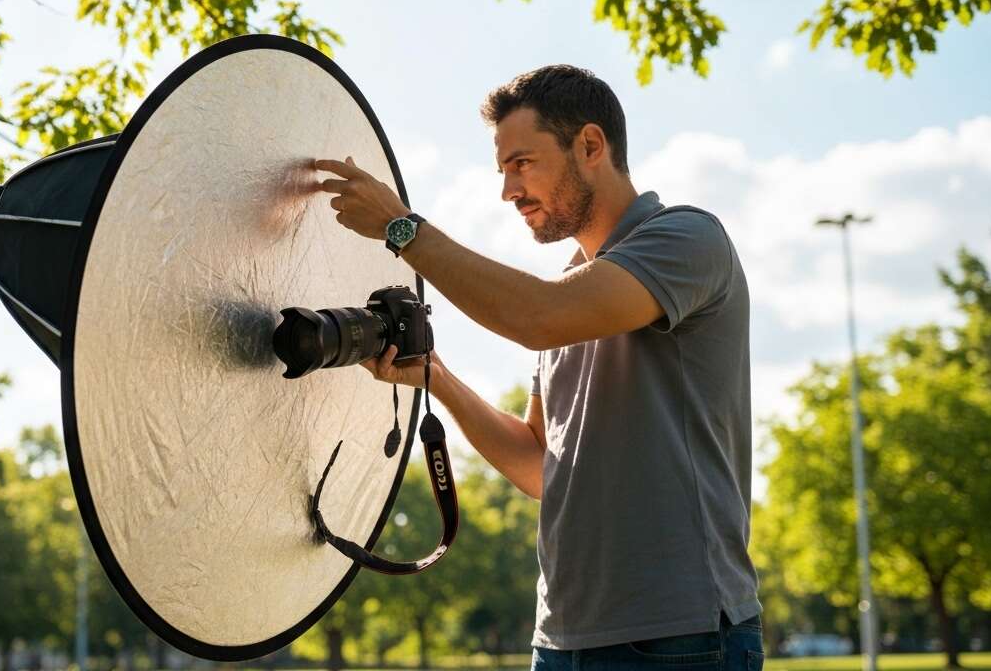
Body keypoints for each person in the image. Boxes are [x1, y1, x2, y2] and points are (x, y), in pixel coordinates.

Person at [314, 64, 763, 671]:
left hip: (678, 637)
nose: (508, 191)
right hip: (561, 639)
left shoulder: (686, 239)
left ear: (591, 145)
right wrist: (437, 378)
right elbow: (539, 466)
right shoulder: (570, 296)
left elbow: (538, 316)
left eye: (522, 163)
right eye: (502, 170)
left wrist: (402, 228)